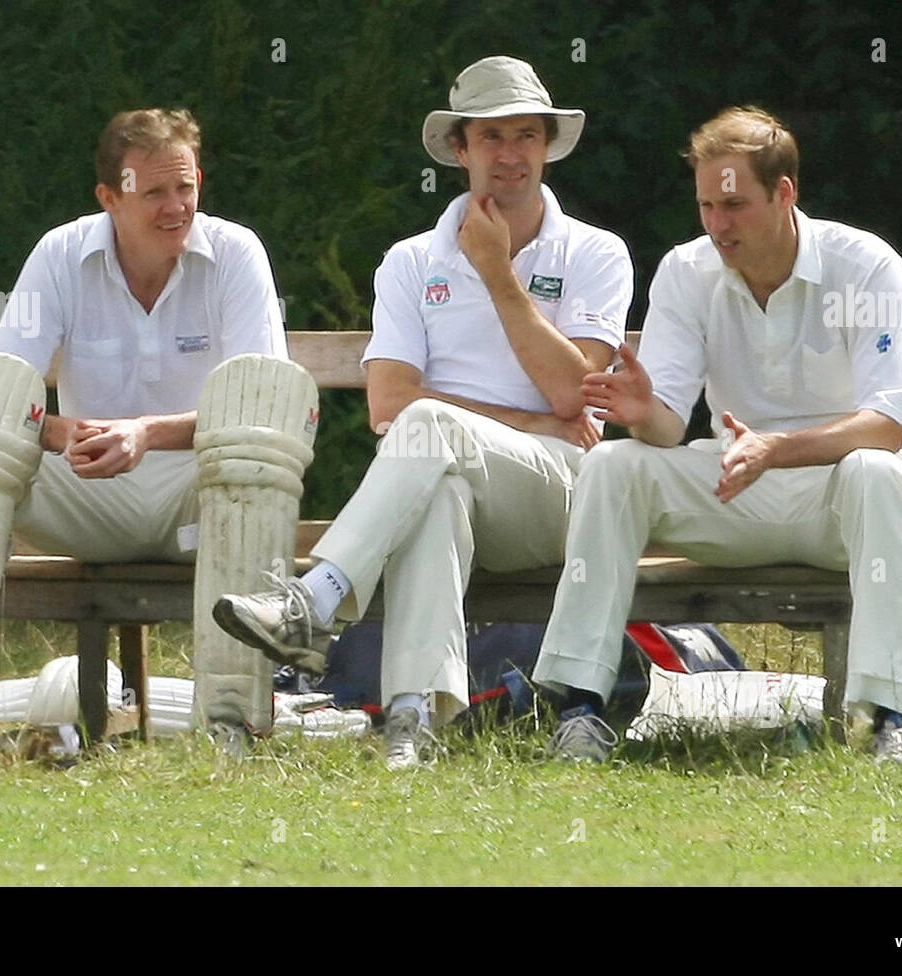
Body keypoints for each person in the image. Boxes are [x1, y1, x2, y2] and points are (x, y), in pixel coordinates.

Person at [212, 56, 633, 769]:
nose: (511, 155)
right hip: (458, 480)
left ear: (546, 146)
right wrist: (522, 420)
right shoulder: (410, 261)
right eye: (492, 137)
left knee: (430, 432)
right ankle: (411, 721)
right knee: (436, 490)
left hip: (565, 495)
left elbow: (575, 396)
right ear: (460, 150)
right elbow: (389, 402)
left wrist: (498, 274)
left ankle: (316, 599)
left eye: (526, 135)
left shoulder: (597, 252)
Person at [0, 108, 317, 761]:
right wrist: (58, 432)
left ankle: (232, 725)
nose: (175, 207)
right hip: (87, 497)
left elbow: (263, 408)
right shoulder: (61, 253)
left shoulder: (237, 253)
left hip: (205, 505)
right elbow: (4, 396)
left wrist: (144, 434)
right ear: (109, 197)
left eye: (185, 188)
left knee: (250, 443)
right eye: (153, 192)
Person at [533, 106, 902, 768]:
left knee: (875, 471)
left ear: (784, 193)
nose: (718, 226)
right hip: (738, 484)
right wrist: (642, 410)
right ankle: (579, 710)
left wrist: (775, 448)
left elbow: (888, 426)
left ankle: (889, 723)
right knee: (614, 466)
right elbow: (664, 427)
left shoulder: (864, 265)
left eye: (734, 206)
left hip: (844, 503)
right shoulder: (686, 271)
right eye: (706, 207)